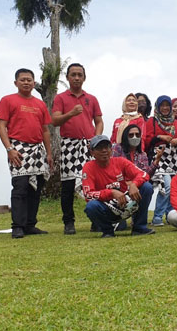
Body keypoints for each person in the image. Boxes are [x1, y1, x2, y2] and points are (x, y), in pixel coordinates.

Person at [0, 68, 52, 239]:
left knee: (36, 187)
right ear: (16, 82)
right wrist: (9, 149)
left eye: (29, 80)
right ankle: (17, 226)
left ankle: (30, 224)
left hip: (38, 149)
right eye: (23, 80)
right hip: (18, 148)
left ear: (34, 83)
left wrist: (49, 153)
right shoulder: (8, 100)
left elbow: (45, 130)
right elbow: (1, 126)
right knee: (20, 187)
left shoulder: (40, 104)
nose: (26, 82)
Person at [52, 63, 104, 235]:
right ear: (67, 77)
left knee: (92, 183)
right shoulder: (61, 98)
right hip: (69, 144)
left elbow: (99, 121)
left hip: (89, 146)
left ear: (84, 77)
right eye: (73, 74)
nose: (76, 78)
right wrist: (71, 114)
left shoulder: (92, 98)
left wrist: (95, 140)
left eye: (79, 75)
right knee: (67, 184)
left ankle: (96, 219)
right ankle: (68, 221)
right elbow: (55, 120)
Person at [82, 135, 155, 238]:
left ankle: (139, 228)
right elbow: (88, 195)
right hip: (107, 207)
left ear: (111, 150)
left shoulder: (120, 161)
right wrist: (111, 192)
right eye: (99, 148)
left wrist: (134, 184)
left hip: (128, 204)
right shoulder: (88, 167)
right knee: (91, 206)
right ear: (92, 152)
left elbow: (144, 174)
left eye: (106, 147)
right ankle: (108, 232)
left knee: (146, 187)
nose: (104, 150)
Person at [144, 95, 177, 226]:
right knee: (166, 186)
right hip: (160, 156)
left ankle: (169, 214)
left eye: (167, 105)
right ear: (158, 107)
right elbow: (146, 141)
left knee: (174, 187)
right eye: (162, 105)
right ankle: (157, 217)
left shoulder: (176, 122)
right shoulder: (152, 121)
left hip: (174, 158)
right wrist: (159, 137)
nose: (165, 108)